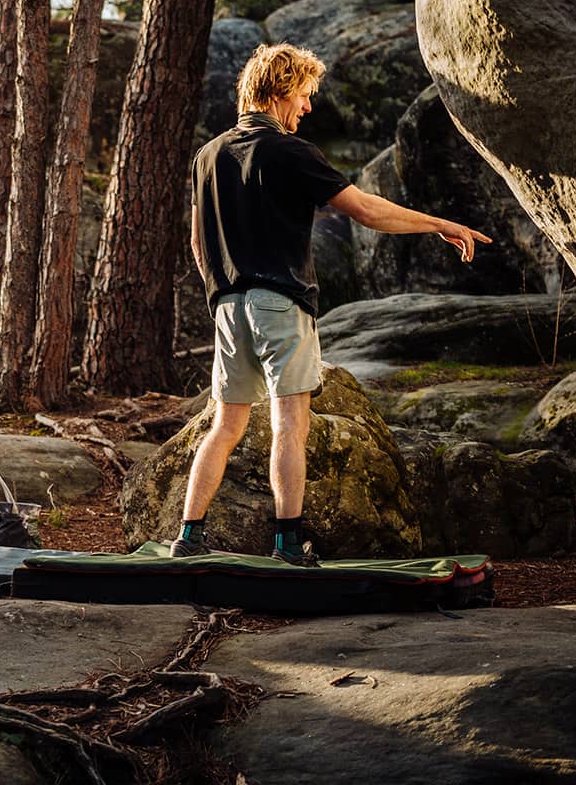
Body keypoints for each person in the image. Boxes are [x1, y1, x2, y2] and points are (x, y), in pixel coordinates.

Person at [172, 43, 491, 566]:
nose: (308, 106)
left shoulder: (209, 155)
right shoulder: (291, 152)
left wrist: (222, 294)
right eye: (304, 93)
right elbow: (365, 210)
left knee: (225, 426)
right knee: (289, 425)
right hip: (279, 303)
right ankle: (288, 543)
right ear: (279, 90)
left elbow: (196, 241)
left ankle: (188, 537)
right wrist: (440, 223)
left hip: (228, 308)